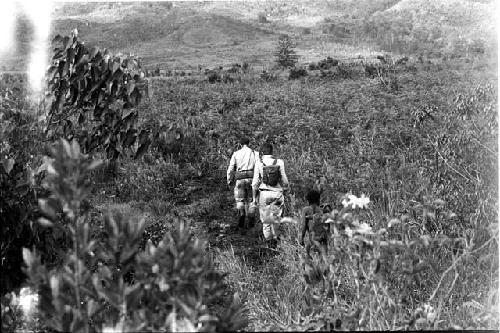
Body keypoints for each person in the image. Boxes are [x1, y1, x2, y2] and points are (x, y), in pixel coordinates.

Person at [252, 142, 289, 247]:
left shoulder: (259, 163)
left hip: (264, 194)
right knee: (276, 219)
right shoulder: (279, 162)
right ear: (272, 151)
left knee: (266, 221)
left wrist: (254, 198)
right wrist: (286, 189)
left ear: (262, 152)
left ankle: (269, 244)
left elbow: (255, 183)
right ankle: (276, 242)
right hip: (277, 194)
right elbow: (284, 179)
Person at [227, 137, 258, 230]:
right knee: (252, 199)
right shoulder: (255, 153)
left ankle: (242, 214)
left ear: (240, 144)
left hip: (240, 179)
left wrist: (229, 179)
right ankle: (251, 221)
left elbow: (231, 167)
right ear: (249, 143)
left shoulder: (236, 154)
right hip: (251, 178)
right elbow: (258, 167)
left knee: (240, 199)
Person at [300, 189, 331, 257]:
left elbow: (304, 226)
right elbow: (328, 227)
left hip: (312, 240)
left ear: (308, 200)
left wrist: (301, 238)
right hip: (323, 240)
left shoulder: (306, 210)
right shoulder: (324, 210)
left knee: (311, 262)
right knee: (323, 262)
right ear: (318, 199)